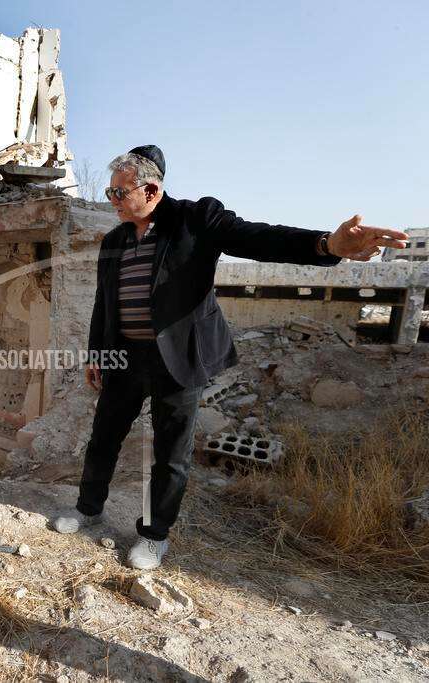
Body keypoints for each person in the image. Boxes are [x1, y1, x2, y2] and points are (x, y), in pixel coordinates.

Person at [53, 145, 408, 570]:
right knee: (104, 436)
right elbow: (104, 302)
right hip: (125, 357)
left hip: (178, 358)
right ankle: (89, 510)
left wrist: (326, 244)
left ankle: (154, 535)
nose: (111, 200)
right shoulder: (115, 239)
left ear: (150, 189)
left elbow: (259, 237)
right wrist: (98, 353)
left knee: (171, 452)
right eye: (110, 192)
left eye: (118, 193)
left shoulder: (196, 219)